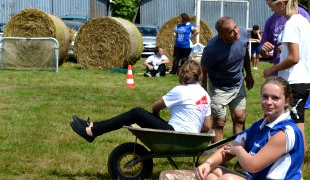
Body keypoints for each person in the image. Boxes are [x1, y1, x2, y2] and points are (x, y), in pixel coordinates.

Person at [195, 76, 303, 180]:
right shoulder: (260, 126)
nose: (269, 102)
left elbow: (252, 166)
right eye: (265, 97)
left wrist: (239, 150)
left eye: (275, 98)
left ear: (287, 101)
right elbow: (228, 149)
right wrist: (208, 163)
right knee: (209, 171)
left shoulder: (284, 133)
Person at [70, 60, 211, 142]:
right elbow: (206, 127)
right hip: (190, 139)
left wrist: (156, 120)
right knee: (138, 114)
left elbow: (155, 107)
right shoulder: (205, 95)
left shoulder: (180, 90)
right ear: (200, 76)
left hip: (176, 136)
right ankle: (92, 126)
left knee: (137, 112)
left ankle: (93, 131)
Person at [263, 0, 310, 151]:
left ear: (281, 4)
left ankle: (298, 164)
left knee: (297, 124)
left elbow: (294, 57)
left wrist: (272, 71)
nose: (273, 11)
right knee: (293, 121)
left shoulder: (292, 24)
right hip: (302, 80)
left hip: (295, 81)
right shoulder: (302, 20)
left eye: (273, 7)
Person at [200, 17, 254, 142]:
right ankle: (219, 158)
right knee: (219, 122)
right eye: (230, 31)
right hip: (219, 88)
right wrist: (204, 95)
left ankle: (240, 154)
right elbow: (203, 71)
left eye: (236, 27)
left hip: (238, 83)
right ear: (221, 34)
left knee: (240, 118)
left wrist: (249, 74)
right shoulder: (212, 49)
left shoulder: (242, 34)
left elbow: (245, 54)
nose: (236, 32)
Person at [259, 0, 310, 67]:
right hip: (280, 70)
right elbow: (263, 54)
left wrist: (288, 47)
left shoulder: (299, 13)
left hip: (297, 70)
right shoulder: (270, 21)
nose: (268, 2)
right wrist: (263, 50)